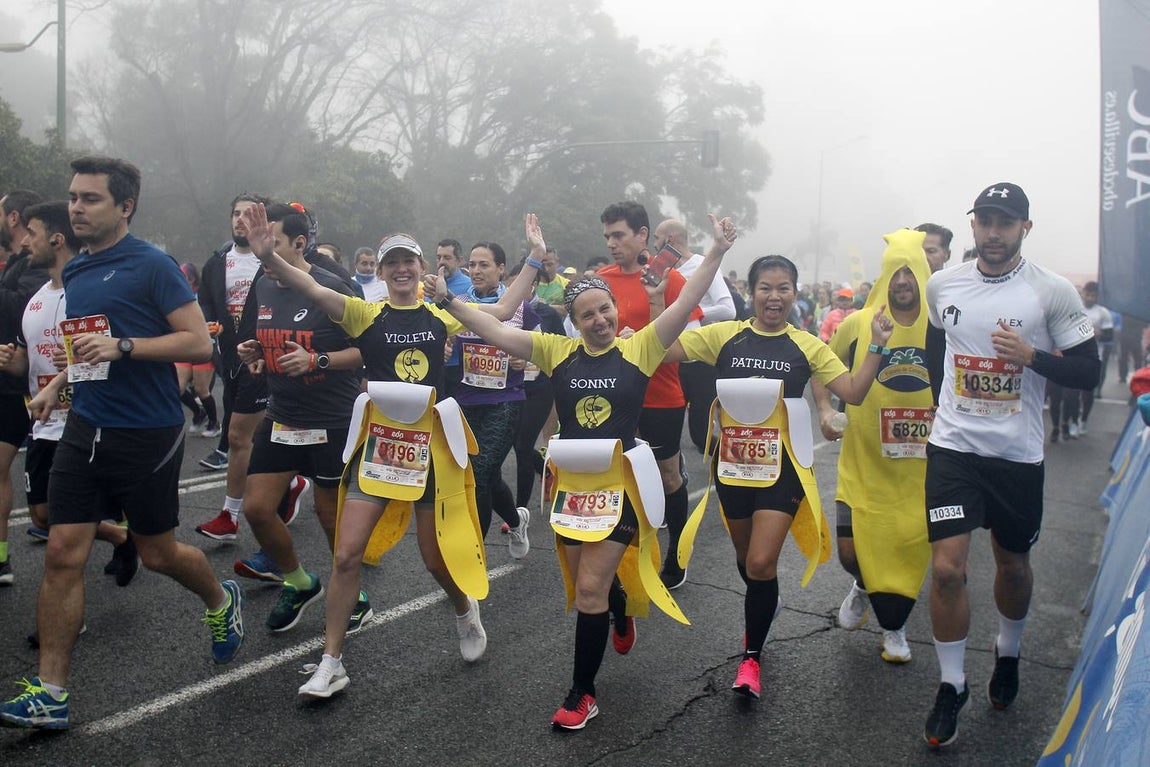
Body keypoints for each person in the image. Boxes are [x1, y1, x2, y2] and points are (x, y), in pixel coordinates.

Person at [433, 211, 737, 730]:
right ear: (573, 321)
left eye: (604, 309)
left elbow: (688, 299)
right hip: (572, 488)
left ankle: (582, 694)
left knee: (589, 591)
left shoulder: (640, 348)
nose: (599, 320)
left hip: (620, 487)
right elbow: (494, 330)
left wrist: (717, 251)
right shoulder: (558, 352)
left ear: (616, 309)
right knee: (586, 586)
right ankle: (620, 609)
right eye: (587, 314)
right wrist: (450, 302)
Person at [236, 203, 543, 699]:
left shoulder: (442, 314)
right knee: (346, 555)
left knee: (434, 560)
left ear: (422, 269)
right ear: (381, 272)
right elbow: (312, 287)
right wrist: (268, 257)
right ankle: (331, 663)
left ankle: (464, 608)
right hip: (380, 447)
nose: (401, 269)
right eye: (392, 262)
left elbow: (505, 312)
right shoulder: (365, 314)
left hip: (430, 449)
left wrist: (534, 258)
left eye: (409, 261)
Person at [0, 156, 245, 731]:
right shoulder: (80, 269)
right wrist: (57, 383)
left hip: (146, 431)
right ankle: (51, 693)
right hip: (84, 425)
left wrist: (126, 347)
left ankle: (220, 599)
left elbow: (199, 343)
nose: (76, 208)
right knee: (62, 551)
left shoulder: (152, 265)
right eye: (73, 197)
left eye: (90, 199)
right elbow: (88, 344)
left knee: (158, 553)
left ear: (125, 206)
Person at [664, 255, 893, 700]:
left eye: (783, 288)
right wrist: (642, 327)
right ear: (750, 293)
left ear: (794, 293)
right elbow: (663, 348)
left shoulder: (806, 345)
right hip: (732, 466)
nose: (774, 296)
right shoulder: (724, 336)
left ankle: (751, 659)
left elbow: (854, 390)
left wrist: (878, 346)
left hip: (782, 468)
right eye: (765, 288)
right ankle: (767, 597)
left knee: (759, 563)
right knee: (747, 560)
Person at [921, 182, 1099, 748]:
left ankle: (1009, 650)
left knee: (1014, 568)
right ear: (973, 225)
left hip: (1016, 457)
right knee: (947, 570)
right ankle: (951, 684)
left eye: (1005, 222)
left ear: (1025, 227)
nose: (993, 233)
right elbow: (935, 348)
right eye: (985, 221)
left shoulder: (1051, 291)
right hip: (953, 449)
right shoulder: (943, 284)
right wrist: (941, 403)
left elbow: (1089, 372)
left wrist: (1033, 357)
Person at [232, 202, 366, 633]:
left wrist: (317, 360)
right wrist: (258, 351)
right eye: (257, 244)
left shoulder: (331, 287)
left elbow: (367, 350)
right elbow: (272, 337)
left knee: (330, 517)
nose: (262, 252)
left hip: (331, 419)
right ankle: (300, 581)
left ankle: (353, 594)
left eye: (270, 243)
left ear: (299, 243)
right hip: (284, 415)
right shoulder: (264, 284)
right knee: (256, 509)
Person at [816, 229, 941, 664]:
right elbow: (822, 364)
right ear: (885, 276)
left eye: (910, 271)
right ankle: (863, 584)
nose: (902, 280)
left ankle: (895, 629)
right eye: (895, 271)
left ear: (922, 274)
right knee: (850, 553)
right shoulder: (858, 324)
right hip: (864, 462)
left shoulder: (940, 327)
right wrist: (824, 409)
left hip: (919, 470)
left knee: (908, 552)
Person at [597, 201, 703, 591]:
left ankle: (677, 553)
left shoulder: (670, 281)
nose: (612, 244)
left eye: (619, 235)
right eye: (607, 236)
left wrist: (642, 339)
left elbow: (688, 341)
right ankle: (623, 555)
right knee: (618, 475)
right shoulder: (601, 280)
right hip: (614, 396)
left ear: (643, 235)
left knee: (667, 475)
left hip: (661, 394)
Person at [451, 241, 535, 555]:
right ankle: (516, 520)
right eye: (471, 265)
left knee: (479, 475)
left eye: (483, 265)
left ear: (500, 269)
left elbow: (545, 349)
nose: (475, 271)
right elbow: (442, 341)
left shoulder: (520, 308)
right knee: (489, 475)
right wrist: (444, 348)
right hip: (466, 401)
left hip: (505, 402)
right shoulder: (458, 303)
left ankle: (475, 556)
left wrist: (527, 360)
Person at [653, 218, 737, 454]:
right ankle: (673, 473)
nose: (654, 244)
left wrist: (688, 312)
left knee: (700, 436)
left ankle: (735, 460)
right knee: (664, 431)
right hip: (668, 357)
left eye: (656, 238)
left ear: (669, 239)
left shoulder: (702, 264)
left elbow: (728, 309)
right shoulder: (659, 269)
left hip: (699, 359)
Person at [0, 189, 48, 584]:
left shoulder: (34, 266)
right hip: (10, 380)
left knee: (47, 511)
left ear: (13, 217)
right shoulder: (16, 262)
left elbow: (20, 308)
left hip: (26, 389)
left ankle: (122, 532)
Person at [175, 261, 221, 438]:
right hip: (184, 347)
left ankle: (214, 424)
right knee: (177, 387)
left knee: (201, 390)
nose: (180, 280)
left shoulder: (201, 296)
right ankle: (198, 412)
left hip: (203, 346)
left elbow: (214, 316)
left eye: (184, 277)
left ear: (192, 279)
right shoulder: (176, 295)